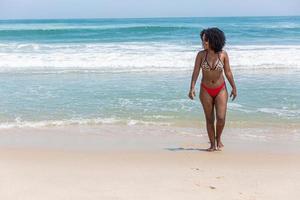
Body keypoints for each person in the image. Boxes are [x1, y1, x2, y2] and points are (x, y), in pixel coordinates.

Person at [188, 27, 237, 152]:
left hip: (221, 89)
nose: (203, 43)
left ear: (213, 41)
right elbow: (195, 72)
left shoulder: (223, 54)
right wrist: (192, 87)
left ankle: (218, 138)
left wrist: (234, 87)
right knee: (209, 119)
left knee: (221, 117)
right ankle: (212, 145)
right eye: (202, 41)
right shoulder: (200, 55)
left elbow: (228, 72)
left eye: (205, 41)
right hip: (205, 90)